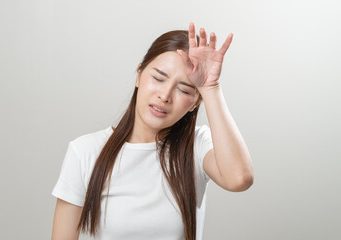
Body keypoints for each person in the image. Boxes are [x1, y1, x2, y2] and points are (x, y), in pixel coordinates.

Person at [51, 22, 254, 240]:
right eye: (158, 78)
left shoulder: (197, 146)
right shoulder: (85, 151)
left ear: (196, 102)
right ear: (139, 75)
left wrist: (210, 87)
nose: (165, 95)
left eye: (184, 89)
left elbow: (239, 179)